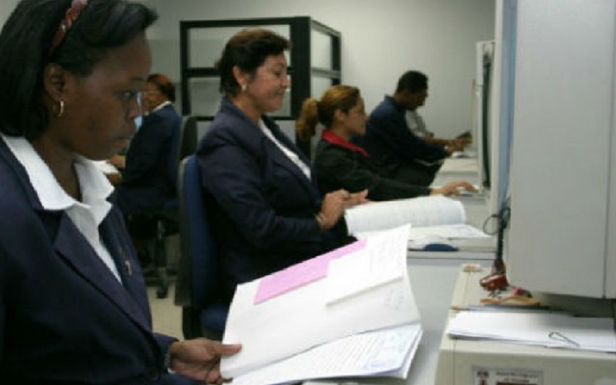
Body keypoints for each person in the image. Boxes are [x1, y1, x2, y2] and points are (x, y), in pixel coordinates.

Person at [0, 0, 239, 385]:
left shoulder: (88, 184)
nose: (137, 114)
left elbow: (67, 337)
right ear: (57, 83)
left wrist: (163, 352)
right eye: (127, 95)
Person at [195, 29, 367, 303]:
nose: (286, 83)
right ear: (241, 76)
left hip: (299, 254)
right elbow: (262, 229)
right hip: (268, 273)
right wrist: (321, 220)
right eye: (277, 73)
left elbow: (290, 196)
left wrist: (339, 203)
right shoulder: (224, 141)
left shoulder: (263, 125)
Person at [297, 84, 475, 200]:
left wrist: (431, 192)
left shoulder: (344, 148)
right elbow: (375, 186)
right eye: (360, 112)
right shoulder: (331, 156)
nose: (366, 117)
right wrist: (432, 192)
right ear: (340, 116)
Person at [353, 70, 464, 186]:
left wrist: (442, 153)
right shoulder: (388, 114)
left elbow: (410, 142)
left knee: (436, 173)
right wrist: (445, 152)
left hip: (393, 166)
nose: (422, 103)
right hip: (387, 171)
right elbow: (410, 146)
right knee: (434, 181)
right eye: (420, 97)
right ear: (406, 93)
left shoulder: (393, 110)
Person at [114, 73, 181, 215]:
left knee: (104, 199)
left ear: (164, 94)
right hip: (163, 188)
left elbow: (145, 161)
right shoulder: (172, 116)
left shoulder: (157, 119)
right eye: (142, 93)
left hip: (149, 192)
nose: (143, 98)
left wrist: (122, 176)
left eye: (149, 93)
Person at [405, 109, 470, 151]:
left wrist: (448, 143)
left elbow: (425, 136)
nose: (423, 102)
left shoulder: (412, 111)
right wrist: (449, 143)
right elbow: (419, 138)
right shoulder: (406, 112)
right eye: (422, 97)